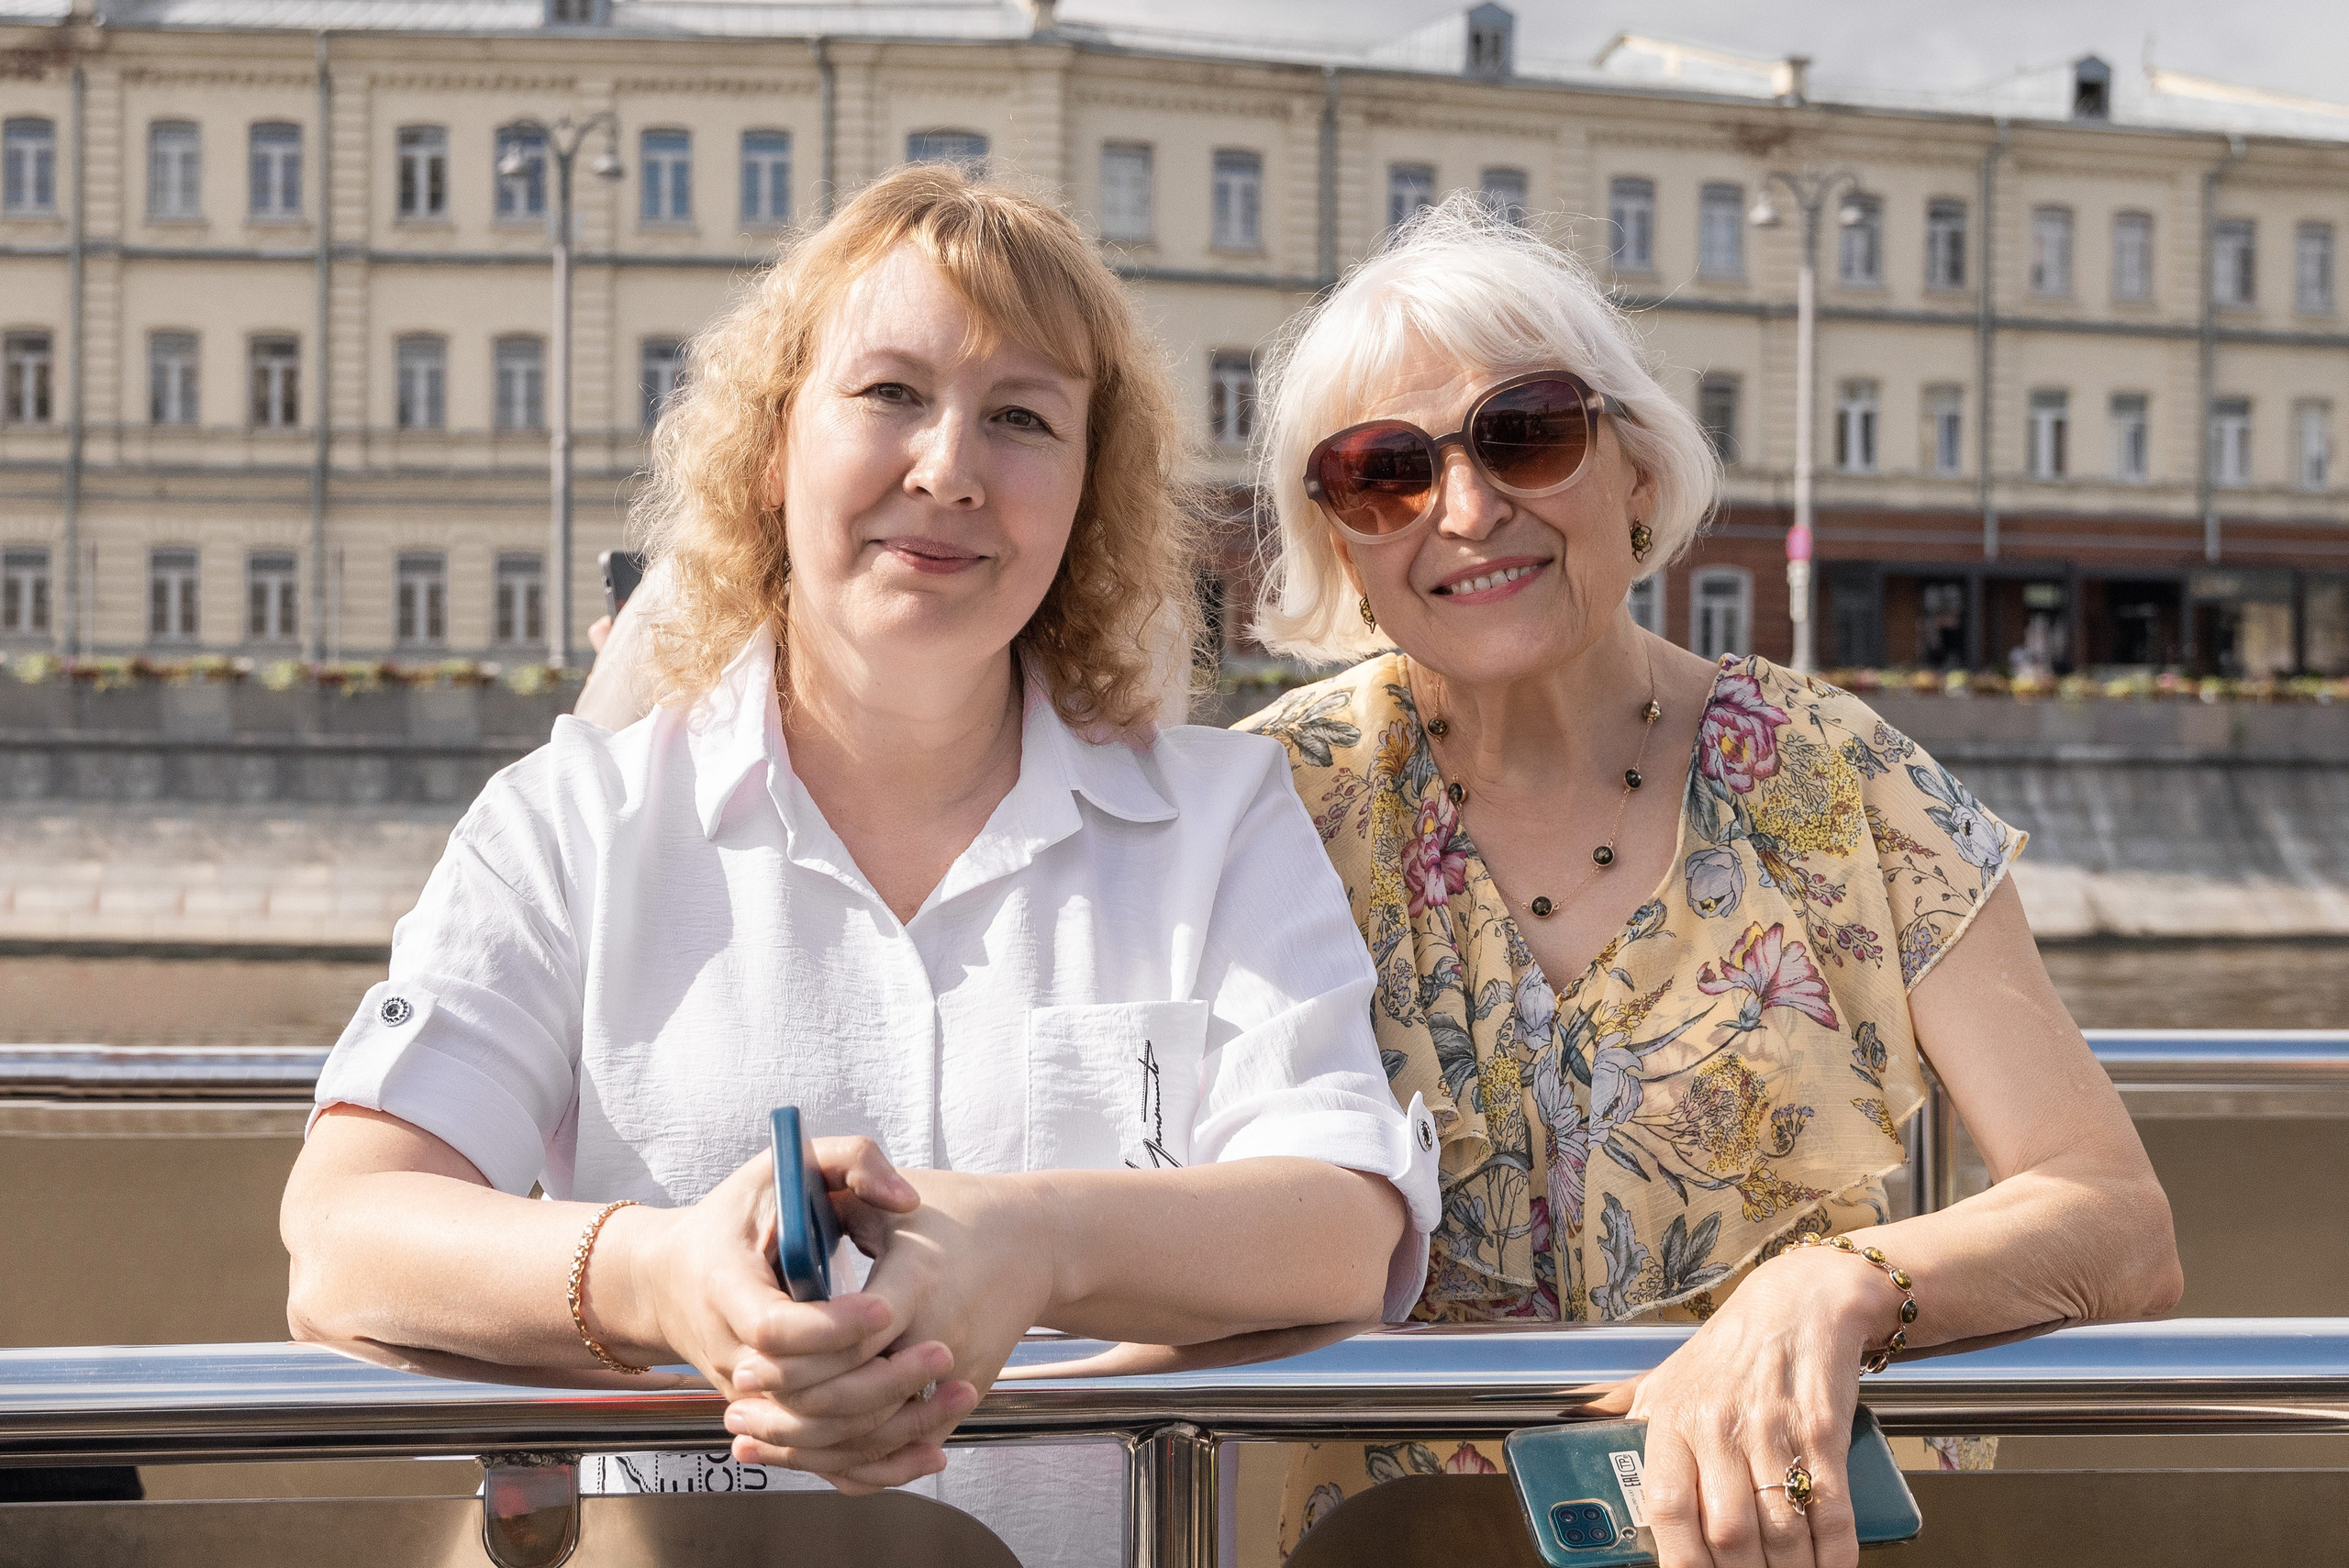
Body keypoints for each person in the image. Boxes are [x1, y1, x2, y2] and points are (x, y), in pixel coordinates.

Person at [280, 165, 1439, 1568]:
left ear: (1088, 493)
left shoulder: (1219, 818)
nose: (948, 467)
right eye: (890, 392)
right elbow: (344, 1233)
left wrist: (1031, 1242)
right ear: (777, 445)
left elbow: (1342, 1227)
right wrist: (658, 1277)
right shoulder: (572, 820)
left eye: (1021, 418)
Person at [1238, 195, 2183, 1568]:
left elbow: (2119, 1224)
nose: (1467, 505)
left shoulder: (1833, 773)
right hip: (1403, 1544)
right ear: (1340, 539)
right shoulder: (1273, 803)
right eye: (1384, 468)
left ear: (1636, 468)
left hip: (1793, 1540)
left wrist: (1835, 1287)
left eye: (1529, 430)